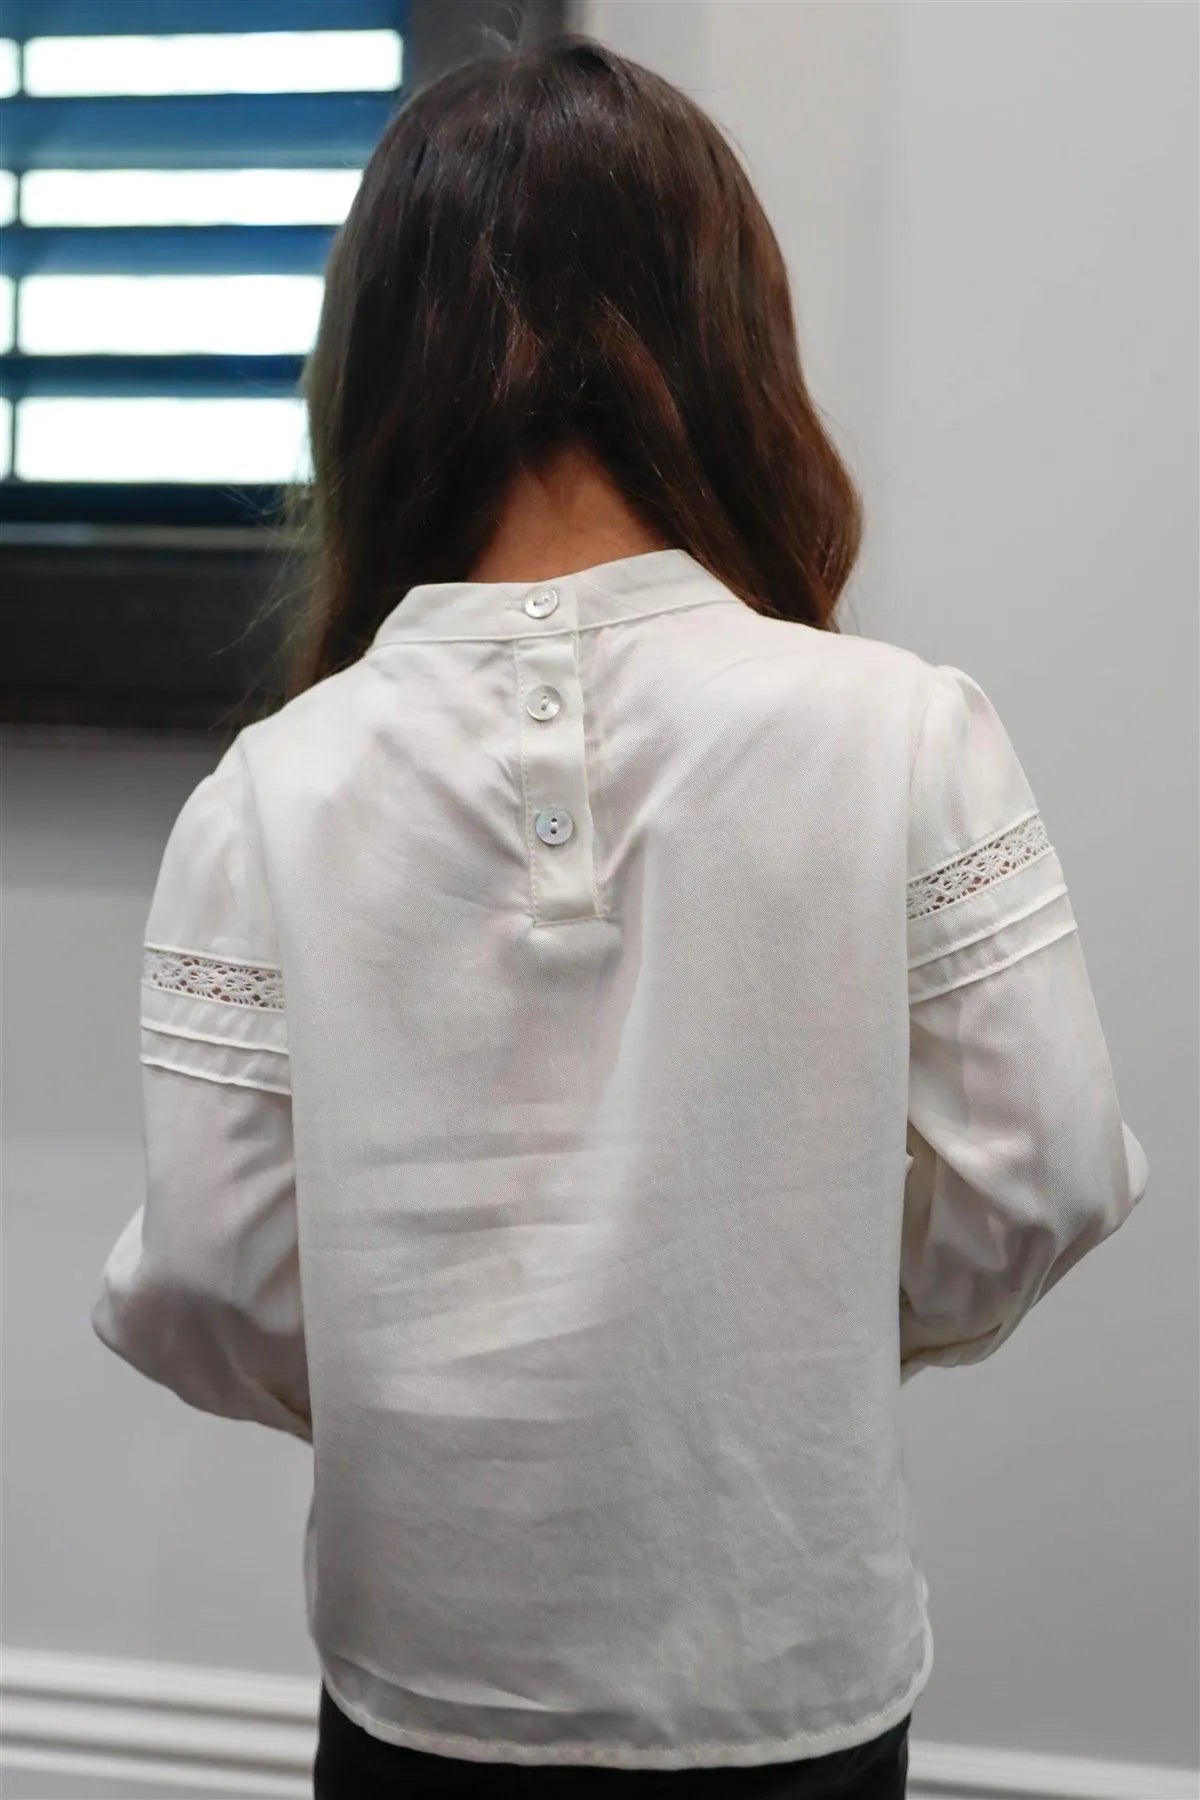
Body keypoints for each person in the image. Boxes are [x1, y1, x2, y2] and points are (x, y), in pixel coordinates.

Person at [89, 33, 1148, 1800]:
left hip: (428, 1699)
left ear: (377, 370)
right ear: (732, 349)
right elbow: (1040, 1176)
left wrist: (430, 1366)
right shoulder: (902, 733)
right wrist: (774, 1311)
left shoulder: (274, 792)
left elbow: (210, 1276)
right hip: (793, 1691)